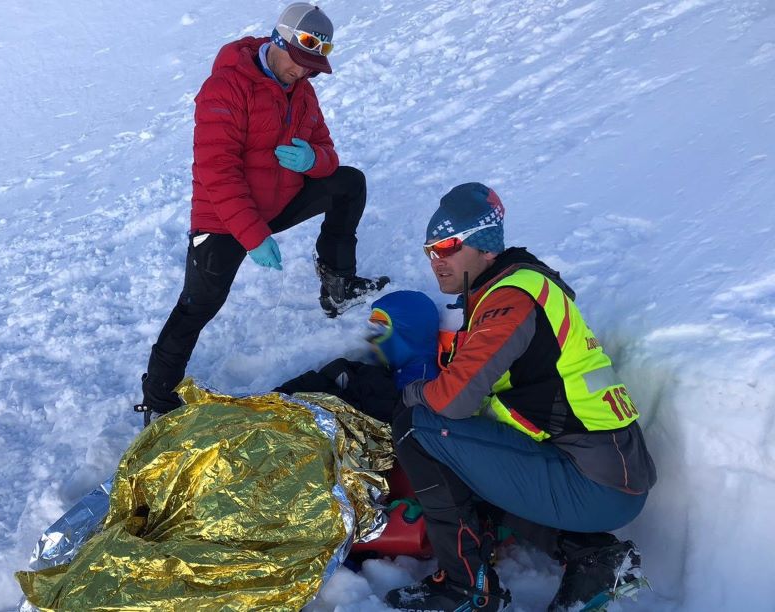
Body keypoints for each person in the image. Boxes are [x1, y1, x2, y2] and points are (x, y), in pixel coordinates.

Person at [384, 183, 657, 612]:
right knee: (465, 452)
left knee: (416, 427)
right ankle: (595, 556)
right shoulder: (517, 290)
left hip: (592, 481)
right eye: (431, 250)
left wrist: (412, 392)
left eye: (449, 246)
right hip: (607, 475)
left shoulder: (511, 298)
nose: (438, 260)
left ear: (485, 246)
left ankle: (465, 587)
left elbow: (453, 401)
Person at [135, 3, 388, 423]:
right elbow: (217, 173)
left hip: (280, 200)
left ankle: (337, 284)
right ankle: (157, 397)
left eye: (313, 67)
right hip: (224, 219)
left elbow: (328, 151)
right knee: (198, 304)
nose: (303, 73)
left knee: (348, 182)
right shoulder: (227, 87)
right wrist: (253, 235)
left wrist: (313, 162)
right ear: (277, 41)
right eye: (300, 61)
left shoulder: (302, 91)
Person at [275, 289, 440, 423]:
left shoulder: (421, 388)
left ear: (407, 335)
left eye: (379, 330)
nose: (371, 337)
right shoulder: (387, 367)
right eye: (371, 328)